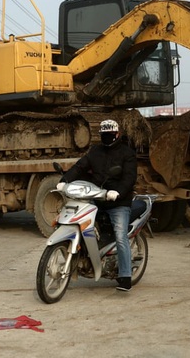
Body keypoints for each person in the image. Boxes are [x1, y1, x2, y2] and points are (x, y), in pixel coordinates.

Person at [56, 119, 138, 291]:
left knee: (120, 236)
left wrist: (118, 192)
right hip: (96, 198)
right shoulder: (95, 151)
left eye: (110, 135)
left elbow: (129, 178)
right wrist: (65, 180)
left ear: (117, 134)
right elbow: (80, 167)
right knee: (80, 223)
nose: (107, 138)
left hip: (118, 202)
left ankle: (125, 275)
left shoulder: (127, 153)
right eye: (104, 135)